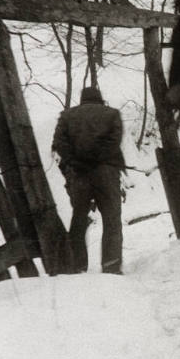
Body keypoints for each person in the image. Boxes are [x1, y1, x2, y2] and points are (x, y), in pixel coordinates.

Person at [52, 86, 125, 274]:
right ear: (100, 99)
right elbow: (113, 142)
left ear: (82, 99)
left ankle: (78, 266)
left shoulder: (67, 116)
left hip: (79, 173)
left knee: (79, 218)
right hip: (106, 172)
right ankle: (111, 266)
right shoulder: (112, 114)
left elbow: (59, 143)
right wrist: (97, 160)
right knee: (112, 219)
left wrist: (76, 161)